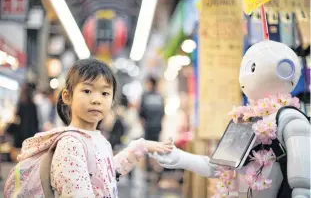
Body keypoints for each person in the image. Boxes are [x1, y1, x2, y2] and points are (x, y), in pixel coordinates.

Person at [152, 41, 310, 198]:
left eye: (252, 67)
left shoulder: (290, 120)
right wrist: (180, 158)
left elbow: (303, 181)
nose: (244, 76)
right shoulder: (247, 119)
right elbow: (218, 167)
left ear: (285, 69)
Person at [11, 59, 172, 197]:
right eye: (87, 91)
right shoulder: (70, 144)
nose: (96, 100)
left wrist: (141, 147)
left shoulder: (98, 139)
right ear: (67, 96)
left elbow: (107, 172)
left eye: (105, 93)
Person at [139, 76, 165, 181]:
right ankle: (157, 170)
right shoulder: (160, 97)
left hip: (148, 127)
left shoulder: (145, 96)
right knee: (157, 148)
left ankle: (149, 171)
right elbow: (163, 113)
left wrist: (143, 123)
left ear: (150, 83)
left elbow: (140, 113)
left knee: (147, 149)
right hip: (157, 127)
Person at [7, 83, 40, 161]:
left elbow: (16, 119)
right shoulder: (33, 105)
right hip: (31, 134)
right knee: (28, 158)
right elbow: (36, 121)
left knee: (19, 157)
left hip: (20, 134)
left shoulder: (20, 105)